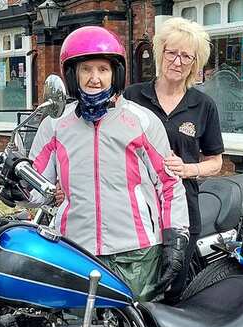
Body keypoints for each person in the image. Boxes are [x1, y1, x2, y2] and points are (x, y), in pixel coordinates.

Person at [27, 26, 190, 302]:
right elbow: (34, 185)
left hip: (135, 251)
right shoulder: (55, 125)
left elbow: (169, 183)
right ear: (72, 74)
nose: (95, 79)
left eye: (103, 69)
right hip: (74, 247)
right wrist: (16, 189)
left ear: (116, 73)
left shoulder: (142, 121)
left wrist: (175, 235)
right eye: (86, 70)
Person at [123, 17, 224, 300]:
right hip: (136, 209)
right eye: (172, 53)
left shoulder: (203, 105)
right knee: (135, 287)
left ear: (195, 63)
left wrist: (188, 168)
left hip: (182, 210)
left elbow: (216, 162)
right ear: (160, 53)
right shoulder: (132, 97)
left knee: (171, 288)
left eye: (186, 56)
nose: (177, 61)